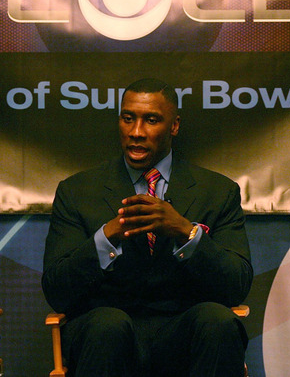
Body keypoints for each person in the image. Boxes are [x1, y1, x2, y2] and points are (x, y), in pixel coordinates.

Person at [42, 78, 253, 377]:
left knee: (217, 321)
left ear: (174, 126)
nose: (136, 132)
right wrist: (108, 235)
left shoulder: (218, 191)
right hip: (108, 334)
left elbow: (237, 285)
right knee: (107, 325)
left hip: (184, 332)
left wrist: (186, 232)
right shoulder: (76, 191)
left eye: (151, 120)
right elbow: (57, 291)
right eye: (128, 119)